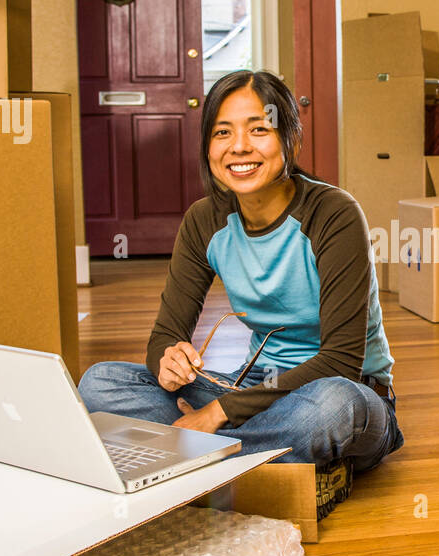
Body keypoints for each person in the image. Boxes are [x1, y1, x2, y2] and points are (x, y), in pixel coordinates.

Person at [78, 69, 403, 518]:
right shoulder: (204, 220)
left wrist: (217, 414)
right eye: (223, 132)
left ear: (289, 138)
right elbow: (164, 335)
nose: (240, 147)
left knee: (331, 408)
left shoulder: (334, 214)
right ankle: (260, 470)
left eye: (259, 130)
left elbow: (341, 360)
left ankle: (191, 465)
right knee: (101, 383)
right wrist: (166, 361)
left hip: (347, 392)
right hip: (251, 389)